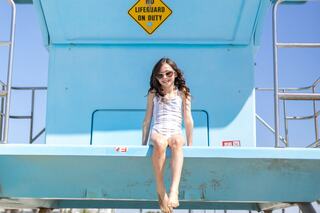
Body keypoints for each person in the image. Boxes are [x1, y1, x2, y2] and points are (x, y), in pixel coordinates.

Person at [142, 58, 193, 213]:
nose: (164, 78)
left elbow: (188, 119)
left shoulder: (183, 93)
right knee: (160, 142)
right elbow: (147, 119)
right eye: (160, 75)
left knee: (178, 141)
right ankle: (160, 187)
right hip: (158, 130)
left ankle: (174, 191)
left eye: (168, 73)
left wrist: (190, 145)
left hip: (175, 131)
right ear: (156, 78)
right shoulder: (154, 93)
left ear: (175, 73)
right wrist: (143, 143)